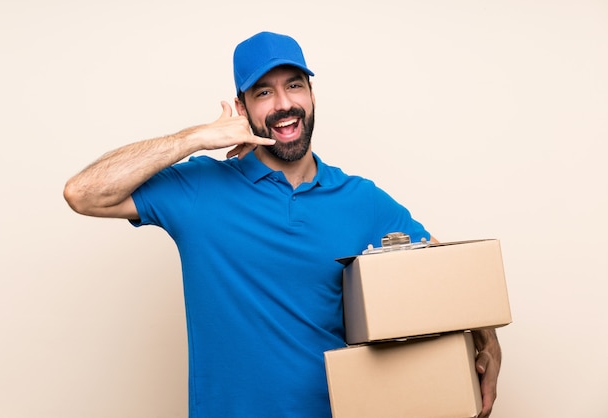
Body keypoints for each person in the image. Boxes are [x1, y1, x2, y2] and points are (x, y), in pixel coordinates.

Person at [64, 31, 502, 418]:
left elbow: (447, 280)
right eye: (263, 92)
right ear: (241, 108)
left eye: (294, 86)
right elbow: (83, 193)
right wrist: (195, 137)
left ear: (311, 95)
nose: (284, 104)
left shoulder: (360, 199)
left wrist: (487, 342)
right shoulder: (198, 188)